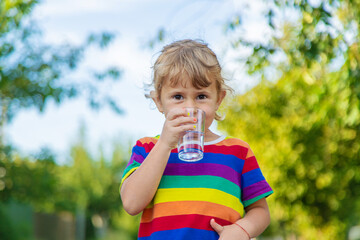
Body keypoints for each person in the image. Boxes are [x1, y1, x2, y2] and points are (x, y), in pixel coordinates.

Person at [120, 39, 273, 240]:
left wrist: (242, 230)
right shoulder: (148, 148)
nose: (190, 107)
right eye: (177, 97)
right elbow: (131, 204)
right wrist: (165, 144)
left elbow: (260, 211)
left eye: (201, 96)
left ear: (218, 99)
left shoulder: (238, 152)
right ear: (159, 101)